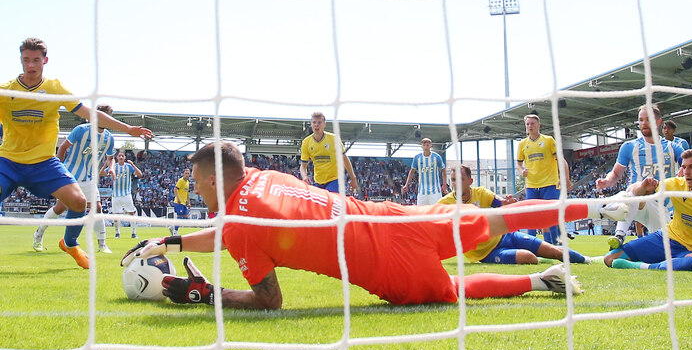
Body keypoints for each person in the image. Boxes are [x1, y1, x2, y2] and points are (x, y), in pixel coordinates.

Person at [121, 142, 630, 309]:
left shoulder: (238, 226)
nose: (196, 188)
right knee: (494, 217)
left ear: (211, 179)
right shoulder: (263, 175)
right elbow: (235, 228)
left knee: (451, 290)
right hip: (391, 217)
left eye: (197, 180)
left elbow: (271, 300)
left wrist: (209, 294)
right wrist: (171, 238)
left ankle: (539, 280)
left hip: (385, 266)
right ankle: (598, 207)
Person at [0, 38, 152, 269]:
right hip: (9, 161)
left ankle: (69, 243)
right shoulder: (6, 90)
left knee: (79, 201)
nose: (30, 65)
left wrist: (127, 128)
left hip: (43, 162)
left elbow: (91, 113)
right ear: (20, 60)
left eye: (36, 60)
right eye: (26, 60)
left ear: (45, 61)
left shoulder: (54, 89)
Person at [438, 164, 589, 265]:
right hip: (487, 253)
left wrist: (508, 203)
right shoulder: (444, 204)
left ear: (470, 181)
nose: (455, 183)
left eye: (460, 179)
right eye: (453, 180)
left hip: (505, 235)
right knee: (529, 258)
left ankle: (587, 260)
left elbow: (502, 204)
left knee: (553, 250)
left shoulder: (482, 193)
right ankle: (542, 259)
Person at [595, 104, 684, 248]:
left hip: (661, 206)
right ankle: (619, 235)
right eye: (641, 120)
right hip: (636, 201)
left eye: (648, 119)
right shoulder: (629, 147)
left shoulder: (673, 147)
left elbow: (689, 164)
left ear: (659, 122)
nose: (643, 123)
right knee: (634, 191)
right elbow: (616, 173)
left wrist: (683, 171)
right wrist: (606, 181)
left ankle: (628, 251)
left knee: (665, 248)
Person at [33, 104, 118, 254]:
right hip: (70, 175)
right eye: (104, 116)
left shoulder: (109, 138)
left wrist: (111, 167)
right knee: (60, 209)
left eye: (109, 116)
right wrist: (57, 168)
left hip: (89, 178)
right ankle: (38, 234)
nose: (107, 119)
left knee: (97, 208)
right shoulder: (81, 130)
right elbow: (63, 147)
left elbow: (110, 158)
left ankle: (102, 244)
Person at [516, 113, 571, 245]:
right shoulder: (523, 144)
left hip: (550, 184)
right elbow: (518, 163)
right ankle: (532, 246)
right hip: (531, 186)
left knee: (551, 215)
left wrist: (566, 178)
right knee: (531, 217)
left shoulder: (548, 140)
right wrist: (522, 170)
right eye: (527, 124)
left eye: (532, 123)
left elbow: (561, 160)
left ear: (539, 125)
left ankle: (557, 246)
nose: (530, 126)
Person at [299, 112, 359, 195]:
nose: (316, 125)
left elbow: (344, 159)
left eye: (319, 122)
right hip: (318, 182)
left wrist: (353, 178)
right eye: (314, 122)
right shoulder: (306, 142)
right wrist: (305, 176)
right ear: (311, 124)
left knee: (331, 203)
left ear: (324, 124)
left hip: (334, 180)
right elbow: (303, 166)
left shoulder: (334, 139)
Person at [401, 138, 447, 206]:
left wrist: (444, 184)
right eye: (424, 145)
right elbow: (412, 171)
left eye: (427, 145)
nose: (426, 147)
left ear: (431, 146)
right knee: (421, 212)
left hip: (435, 191)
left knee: (436, 212)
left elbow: (444, 170)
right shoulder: (417, 158)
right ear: (421, 146)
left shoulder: (436, 157)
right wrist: (406, 185)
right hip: (422, 192)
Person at [110, 150, 143, 238]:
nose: (121, 157)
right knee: (116, 215)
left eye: (122, 156)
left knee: (131, 213)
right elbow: (101, 173)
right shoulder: (113, 166)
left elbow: (140, 174)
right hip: (115, 195)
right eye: (119, 156)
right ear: (117, 158)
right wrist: (107, 164)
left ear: (124, 158)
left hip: (126, 194)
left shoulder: (128, 166)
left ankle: (133, 233)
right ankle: (117, 233)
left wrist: (133, 164)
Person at [170, 168, 191, 235]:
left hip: (184, 203)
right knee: (180, 216)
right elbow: (175, 189)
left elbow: (187, 193)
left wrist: (189, 202)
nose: (187, 175)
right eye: (186, 173)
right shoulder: (181, 181)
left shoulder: (187, 182)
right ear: (183, 174)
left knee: (185, 217)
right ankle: (175, 232)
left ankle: (173, 226)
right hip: (179, 202)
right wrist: (178, 198)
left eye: (188, 173)